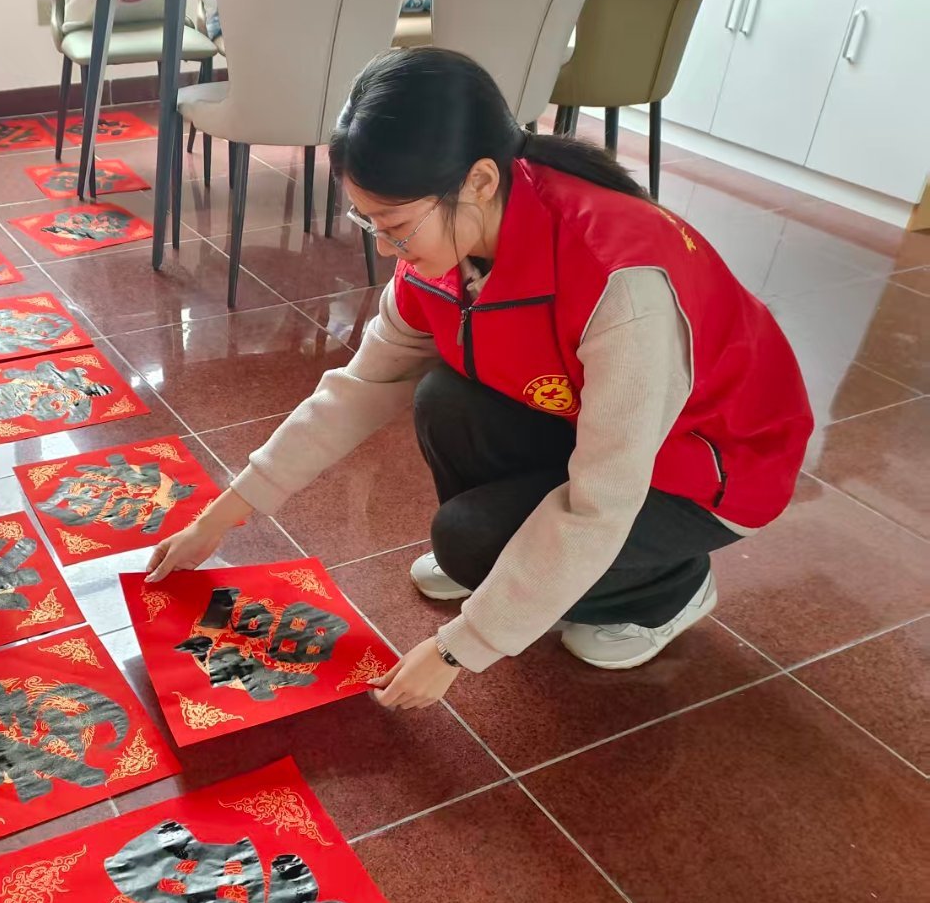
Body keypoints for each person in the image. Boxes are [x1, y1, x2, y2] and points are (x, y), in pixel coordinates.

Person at [146, 48, 812, 711]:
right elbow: (358, 388)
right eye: (369, 223)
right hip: (592, 421)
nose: (385, 247)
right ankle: (503, 562)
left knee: (469, 541)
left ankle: (668, 590)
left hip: (707, 467)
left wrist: (459, 647)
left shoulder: (620, 283)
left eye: (395, 225)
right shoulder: (446, 247)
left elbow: (602, 500)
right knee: (444, 399)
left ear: (480, 181)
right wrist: (222, 514)